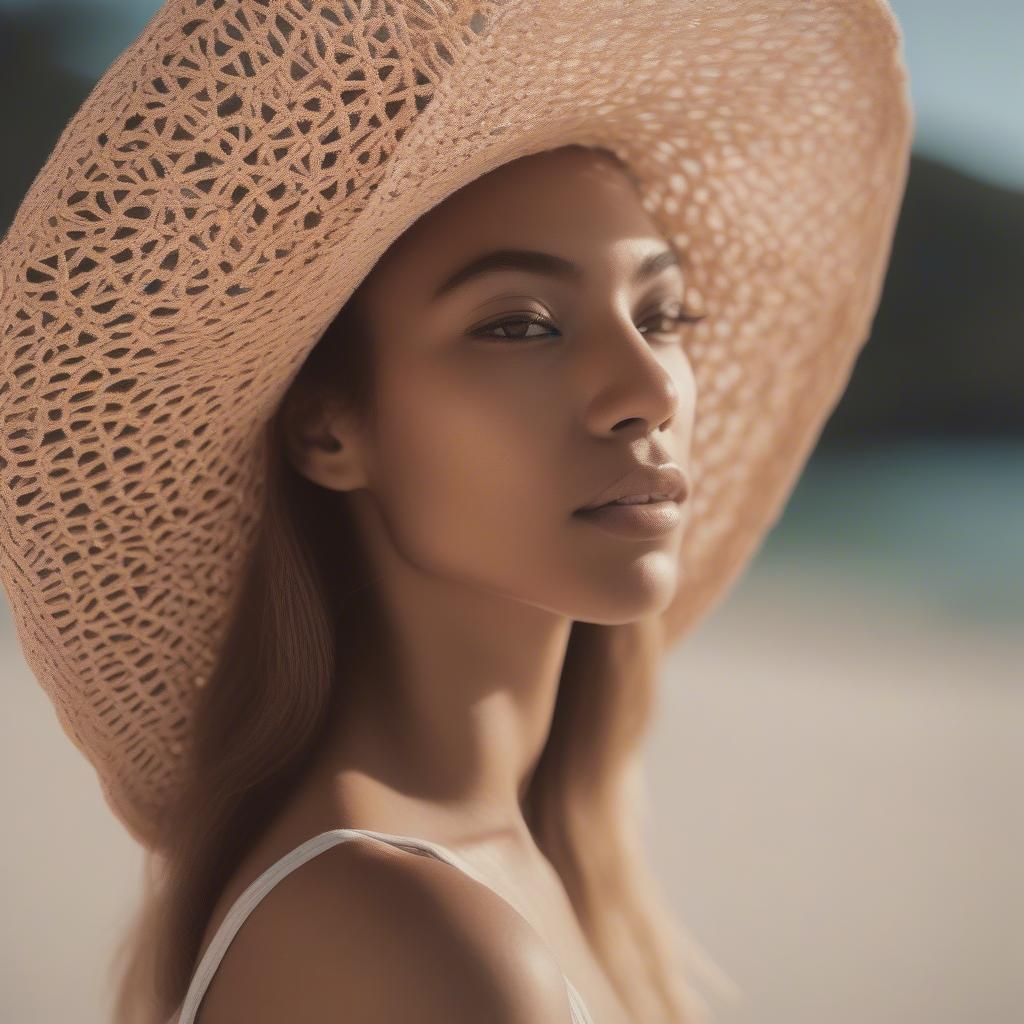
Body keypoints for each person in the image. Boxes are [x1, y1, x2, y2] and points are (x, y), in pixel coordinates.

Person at [0, 2, 913, 1022]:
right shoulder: (412, 932)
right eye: (520, 324)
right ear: (329, 432)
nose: (647, 387)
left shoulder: (489, 867)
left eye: (661, 314)